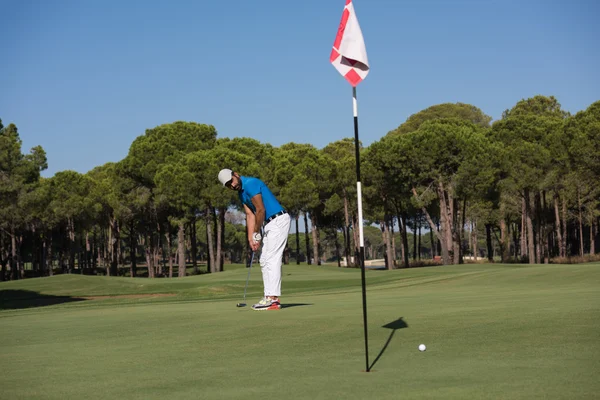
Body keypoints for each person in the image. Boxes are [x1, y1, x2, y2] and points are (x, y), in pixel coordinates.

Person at [218, 168, 291, 311]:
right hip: (270, 224)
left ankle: (273, 299)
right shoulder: (241, 194)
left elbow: (260, 210)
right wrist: (251, 238)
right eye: (228, 185)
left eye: (231, 181)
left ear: (236, 175)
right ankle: (268, 297)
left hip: (278, 220)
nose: (232, 185)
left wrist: (257, 232)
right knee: (264, 260)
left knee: (272, 258)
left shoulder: (250, 184)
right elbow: (250, 214)